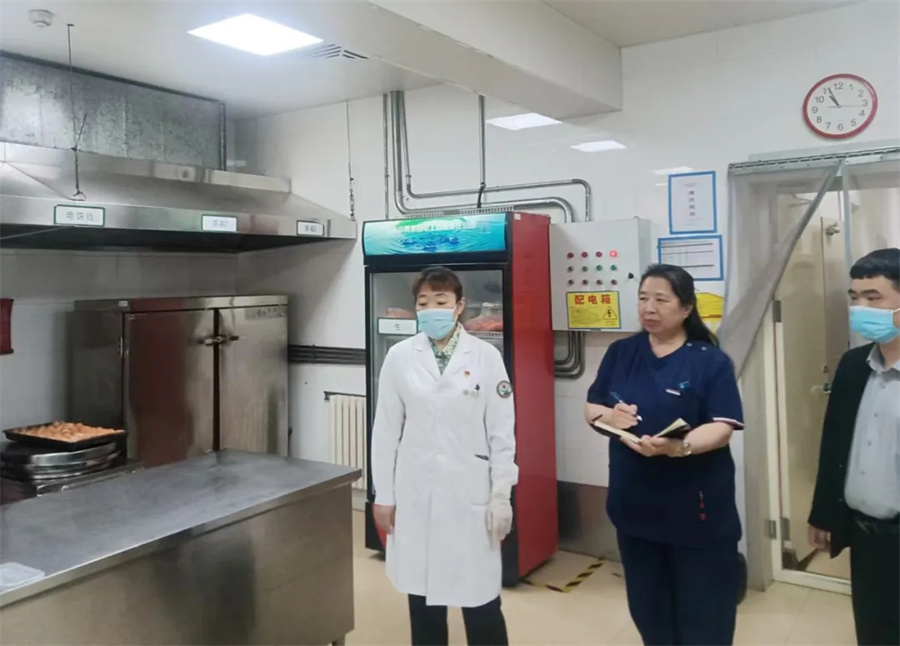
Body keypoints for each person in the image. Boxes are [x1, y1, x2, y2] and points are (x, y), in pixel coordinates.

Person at [584, 264, 745, 646]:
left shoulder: (709, 361)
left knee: (704, 619)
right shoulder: (622, 352)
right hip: (634, 508)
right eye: (643, 298)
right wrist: (610, 417)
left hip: (696, 514)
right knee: (650, 612)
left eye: (660, 299)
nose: (649, 308)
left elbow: (722, 427)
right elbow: (592, 407)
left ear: (686, 308)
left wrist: (679, 447)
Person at [371, 266, 517, 646]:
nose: (431, 309)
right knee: (423, 603)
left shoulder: (485, 357)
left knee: (481, 602)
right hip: (415, 494)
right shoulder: (400, 357)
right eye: (423, 302)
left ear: (459, 306)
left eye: (441, 301)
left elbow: (502, 432)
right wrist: (383, 494)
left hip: (471, 496)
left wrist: (501, 495)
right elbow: (385, 431)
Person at [808, 248, 900, 646]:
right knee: (874, 630)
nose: (860, 307)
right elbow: (834, 444)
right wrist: (823, 513)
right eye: (854, 297)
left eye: (873, 297)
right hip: (866, 537)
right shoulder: (853, 365)